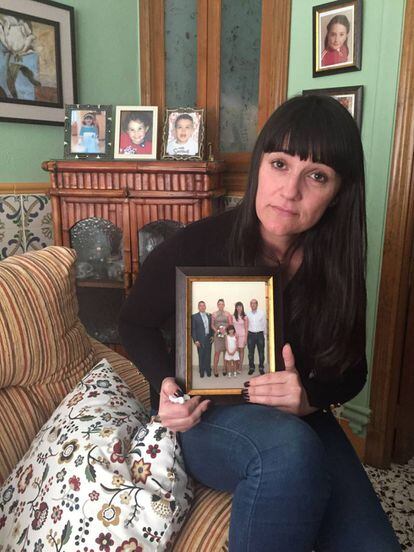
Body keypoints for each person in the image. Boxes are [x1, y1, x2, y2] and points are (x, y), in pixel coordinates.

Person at [119, 95, 400, 551]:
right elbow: (134, 322)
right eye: (279, 164)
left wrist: (308, 398)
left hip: (300, 421)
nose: (290, 191)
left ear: (337, 194)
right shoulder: (195, 245)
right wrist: (166, 387)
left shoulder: (338, 266)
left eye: (317, 176)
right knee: (287, 452)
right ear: (258, 167)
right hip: (211, 419)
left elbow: (353, 371)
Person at [191, 300, 213, 378]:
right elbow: (193, 329)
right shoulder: (194, 316)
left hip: (208, 339)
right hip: (199, 340)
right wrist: (195, 340)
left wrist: (212, 336)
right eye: (201, 305)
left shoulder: (209, 315)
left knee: (208, 355)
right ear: (198, 307)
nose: (202, 307)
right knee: (201, 355)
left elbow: (212, 327)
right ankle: (201, 371)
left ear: (205, 307)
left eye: (204, 305)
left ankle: (208, 370)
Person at [211, 299, 232, 376]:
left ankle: (224, 368)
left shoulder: (228, 314)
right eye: (219, 304)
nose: (221, 305)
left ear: (224, 305)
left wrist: (225, 329)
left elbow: (230, 324)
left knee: (225, 352)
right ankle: (215, 369)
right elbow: (212, 325)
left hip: (225, 335)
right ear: (217, 305)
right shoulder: (214, 314)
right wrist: (216, 330)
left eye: (222, 304)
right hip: (217, 335)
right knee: (217, 352)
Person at [246, 298, 266, 375]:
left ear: (257, 304)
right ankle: (251, 367)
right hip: (250, 335)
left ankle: (261, 367)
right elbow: (246, 325)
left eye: (254, 303)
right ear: (250, 305)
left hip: (260, 334)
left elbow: (264, 324)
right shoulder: (247, 314)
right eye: (252, 303)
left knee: (261, 352)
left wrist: (264, 334)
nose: (253, 304)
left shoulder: (262, 313)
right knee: (250, 353)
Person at [232, 301, 248, 370]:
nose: (239, 308)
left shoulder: (245, 317)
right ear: (235, 308)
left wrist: (246, 339)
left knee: (241, 350)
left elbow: (246, 328)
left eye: (240, 306)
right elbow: (232, 327)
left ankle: (240, 366)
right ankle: (237, 364)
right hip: (235, 336)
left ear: (242, 308)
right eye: (237, 307)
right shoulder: (233, 316)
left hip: (242, 336)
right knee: (236, 351)